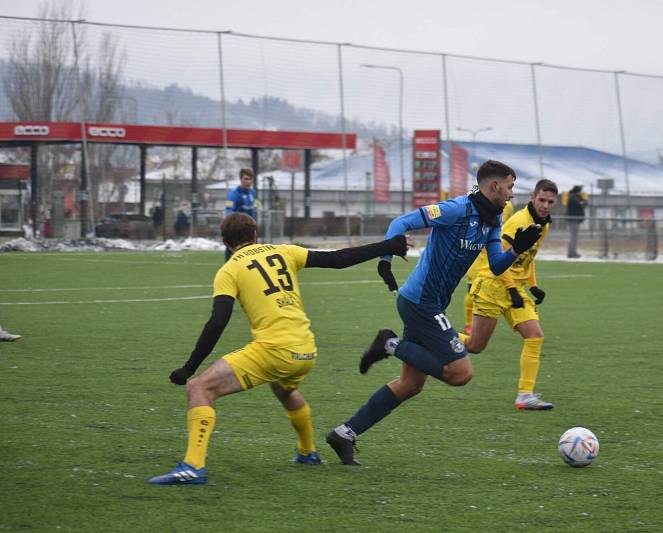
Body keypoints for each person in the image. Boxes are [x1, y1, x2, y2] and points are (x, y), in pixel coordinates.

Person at [148, 212, 409, 484]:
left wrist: (188, 369)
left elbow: (217, 322)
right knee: (283, 387)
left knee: (198, 388)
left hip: (275, 350)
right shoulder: (284, 251)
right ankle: (308, 452)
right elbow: (338, 259)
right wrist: (388, 245)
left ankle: (193, 466)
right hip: (306, 348)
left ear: (225, 242)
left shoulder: (229, 269)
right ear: (255, 235)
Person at [325, 160, 542, 466]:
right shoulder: (456, 209)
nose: (511, 195)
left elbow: (495, 266)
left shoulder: (492, 220)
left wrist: (516, 250)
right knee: (461, 373)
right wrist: (385, 259)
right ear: (494, 186)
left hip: (430, 305)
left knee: (410, 385)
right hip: (420, 303)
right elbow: (401, 222)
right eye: (509, 187)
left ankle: (344, 434)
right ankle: (390, 344)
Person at [463, 179, 558, 411]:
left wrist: (533, 285)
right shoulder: (518, 222)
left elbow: (528, 257)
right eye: (542, 200)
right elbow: (499, 260)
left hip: (515, 287)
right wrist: (514, 290)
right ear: (533, 198)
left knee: (535, 336)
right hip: (494, 284)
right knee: (475, 345)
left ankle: (525, 395)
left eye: (550, 202)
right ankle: (431, 337)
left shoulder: (543, 224)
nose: (545, 205)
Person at [462, 200, 515, 335]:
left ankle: (485, 322)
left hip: (495, 250)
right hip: (478, 255)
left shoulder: (508, 207)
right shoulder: (478, 203)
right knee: (471, 291)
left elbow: (505, 226)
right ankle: (469, 325)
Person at [224, 168, 259, 261]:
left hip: (249, 229)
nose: (248, 181)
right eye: (246, 179)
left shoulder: (253, 192)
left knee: (251, 255)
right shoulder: (233, 194)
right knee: (232, 256)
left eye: (250, 179)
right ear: (241, 180)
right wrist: (229, 227)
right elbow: (228, 210)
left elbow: (254, 208)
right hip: (237, 229)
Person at [566, 184, 588, 258]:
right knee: (573, 237)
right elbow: (580, 205)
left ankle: (572, 252)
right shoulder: (573, 198)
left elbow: (583, 203)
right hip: (573, 220)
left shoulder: (575, 197)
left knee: (574, 237)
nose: (580, 193)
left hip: (575, 220)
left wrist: (583, 201)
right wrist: (583, 202)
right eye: (579, 191)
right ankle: (572, 253)